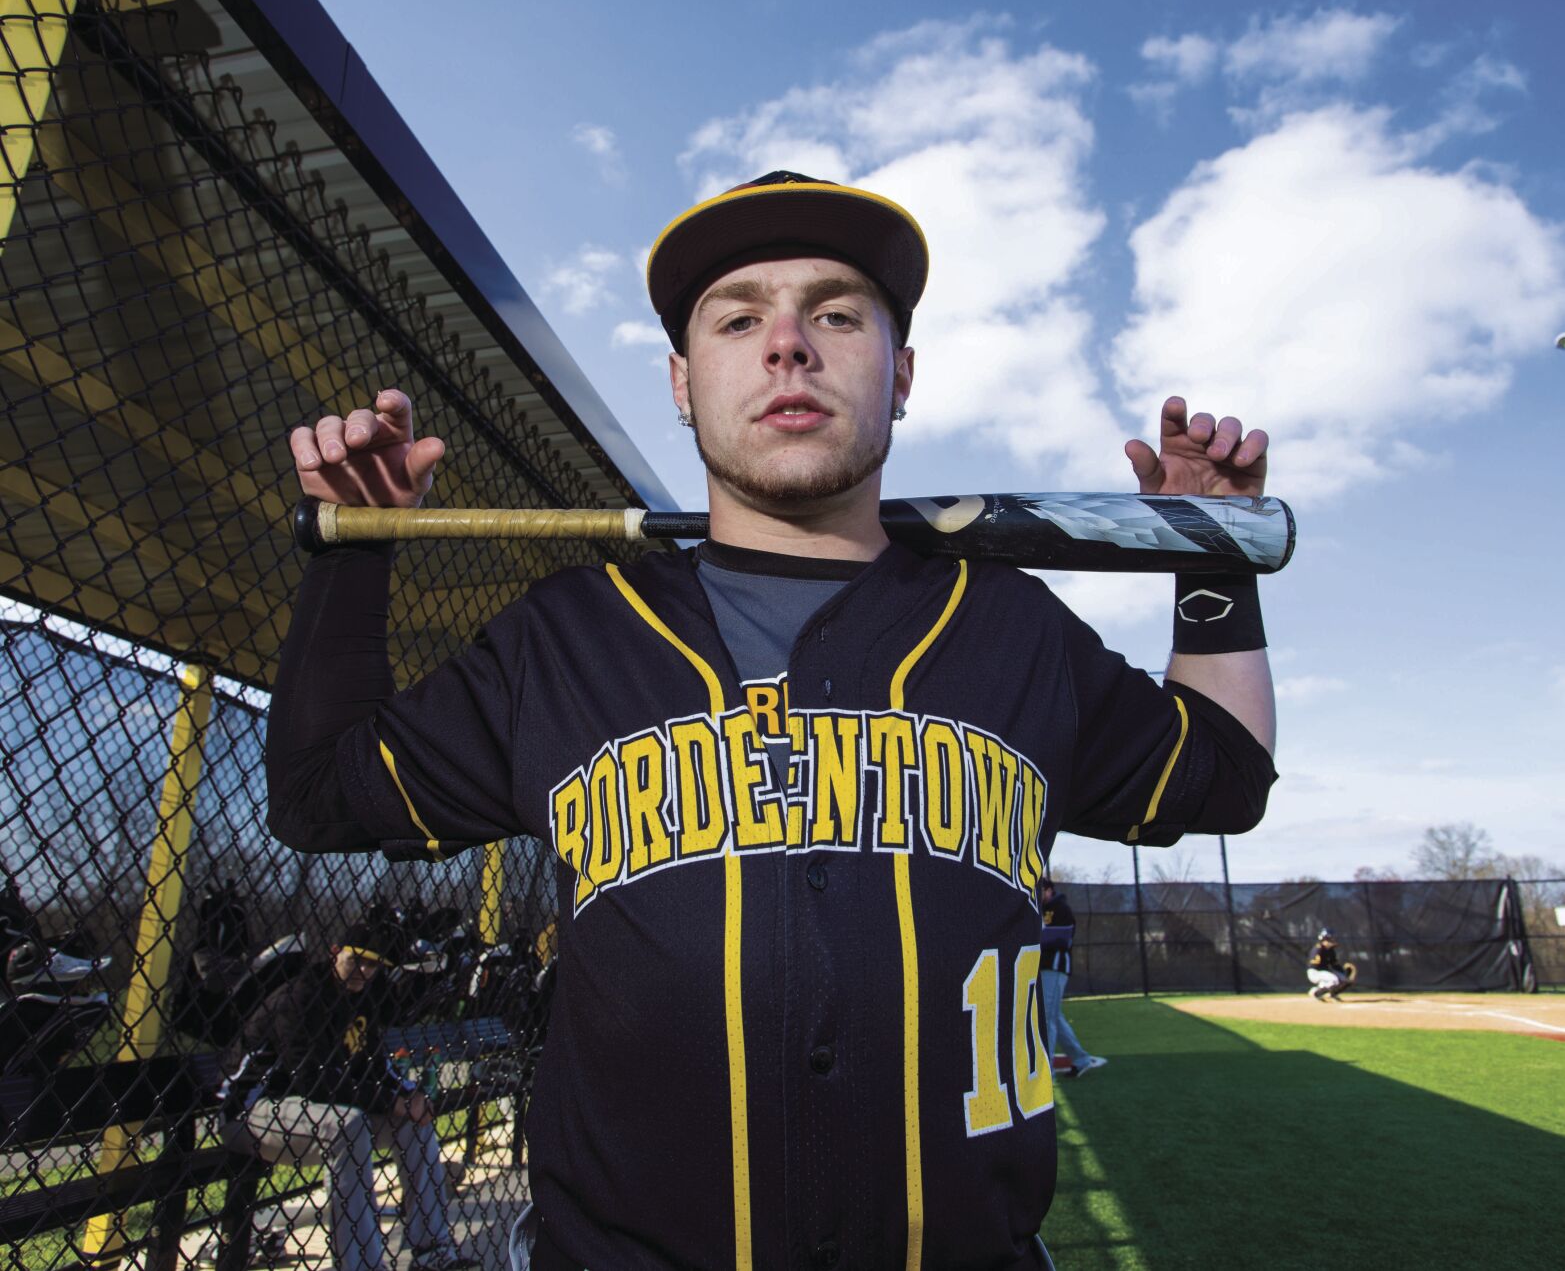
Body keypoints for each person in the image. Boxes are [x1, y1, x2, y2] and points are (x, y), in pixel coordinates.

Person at [267, 170, 1278, 1270]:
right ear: (680, 383)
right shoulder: (563, 639)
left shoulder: (1012, 633)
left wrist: (1210, 561)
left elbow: (1222, 774)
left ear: (899, 377)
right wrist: (353, 554)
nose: (787, 343)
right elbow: (320, 789)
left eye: (836, 314)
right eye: (738, 317)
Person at [220, 921, 476, 1271]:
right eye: (356, 959)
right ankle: (360, 1266)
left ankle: (432, 1251)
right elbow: (311, 1080)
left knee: (412, 1124)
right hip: (252, 1111)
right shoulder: (301, 997)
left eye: (373, 965)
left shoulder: (361, 1000)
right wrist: (390, 1101)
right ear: (334, 952)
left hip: (317, 1115)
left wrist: (410, 1095)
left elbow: (373, 1067)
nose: (363, 971)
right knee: (348, 1123)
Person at [1038, 879, 1106, 1079]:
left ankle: (1045, 1069)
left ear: (1048, 890)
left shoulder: (1061, 909)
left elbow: (1064, 939)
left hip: (1055, 968)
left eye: (1040, 889)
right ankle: (1081, 1059)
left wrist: (1041, 936)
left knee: (1047, 1018)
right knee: (1054, 1017)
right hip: (1041, 968)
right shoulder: (1035, 908)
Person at [1306, 928, 1355, 1001]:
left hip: (1324, 972)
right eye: (1331, 938)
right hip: (1314, 972)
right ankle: (1316, 992)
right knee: (1334, 980)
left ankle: (1332, 994)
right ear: (1324, 939)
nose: (1333, 940)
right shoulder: (1319, 949)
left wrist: (1343, 973)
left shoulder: (1330, 950)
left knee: (1345, 981)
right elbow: (1315, 966)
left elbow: (1334, 965)